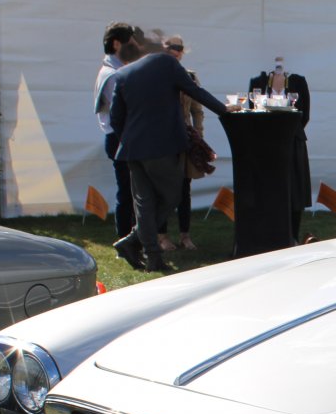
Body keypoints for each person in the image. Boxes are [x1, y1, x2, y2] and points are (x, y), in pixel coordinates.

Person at [109, 36, 239, 272]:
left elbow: (116, 119)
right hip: (161, 146)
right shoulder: (166, 65)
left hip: (132, 149)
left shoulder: (123, 74)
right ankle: (133, 242)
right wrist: (224, 110)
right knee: (172, 196)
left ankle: (152, 257)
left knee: (145, 203)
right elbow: (194, 91)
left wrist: (130, 139)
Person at [247, 57, 312, 241]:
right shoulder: (257, 81)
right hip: (266, 142)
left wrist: (289, 131)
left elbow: (304, 114)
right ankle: (268, 234)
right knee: (269, 188)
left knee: (294, 190)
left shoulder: (298, 81)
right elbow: (252, 110)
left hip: (292, 141)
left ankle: (293, 235)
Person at [156, 35, 207, 251]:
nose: (174, 51)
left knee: (184, 189)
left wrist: (199, 136)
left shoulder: (190, 77)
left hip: (185, 138)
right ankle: (162, 236)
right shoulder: (155, 76)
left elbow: (197, 109)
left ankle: (185, 236)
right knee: (164, 189)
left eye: (178, 48)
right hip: (163, 139)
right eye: (170, 47)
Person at [95, 21, 140, 240]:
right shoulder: (112, 75)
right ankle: (125, 239)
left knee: (130, 191)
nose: (135, 49)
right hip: (120, 138)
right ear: (116, 44)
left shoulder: (114, 70)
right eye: (130, 44)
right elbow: (121, 112)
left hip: (121, 137)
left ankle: (130, 237)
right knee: (127, 192)